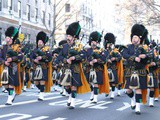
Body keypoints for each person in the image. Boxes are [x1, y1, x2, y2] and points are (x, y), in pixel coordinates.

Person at [54, 21, 90, 109]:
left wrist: (74, 58)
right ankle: (70, 96)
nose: (67, 37)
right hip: (66, 69)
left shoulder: (80, 46)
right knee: (67, 87)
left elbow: (83, 56)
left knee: (74, 86)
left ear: (74, 37)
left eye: (69, 36)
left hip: (76, 69)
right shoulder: (64, 46)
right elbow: (59, 57)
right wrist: (66, 60)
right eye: (67, 36)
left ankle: (73, 102)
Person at [122, 24, 149, 115]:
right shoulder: (128, 47)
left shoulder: (143, 48)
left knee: (138, 89)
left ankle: (138, 108)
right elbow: (124, 55)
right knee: (128, 90)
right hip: (130, 71)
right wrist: (134, 58)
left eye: (136, 37)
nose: (134, 39)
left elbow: (148, 58)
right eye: (133, 37)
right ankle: (132, 99)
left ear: (140, 38)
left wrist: (144, 56)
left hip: (140, 72)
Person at [84, 31, 110, 103]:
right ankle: (92, 92)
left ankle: (95, 98)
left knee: (96, 83)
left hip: (98, 69)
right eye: (92, 41)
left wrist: (97, 60)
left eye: (95, 41)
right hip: (88, 69)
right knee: (88, 82)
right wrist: (89, 62)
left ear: (97, 42)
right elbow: (83, 59)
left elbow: (104, 60)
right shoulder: (86, 50)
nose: (93, 43)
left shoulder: (101, 50)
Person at [1, 26, 23, 105]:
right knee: (5, 84)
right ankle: (12, 93)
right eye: (6, 37)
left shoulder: (16, 47)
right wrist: (4, 62)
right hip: (5, 67)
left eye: (8, 38)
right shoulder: (3, 47)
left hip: (13, 67)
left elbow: (20, 56)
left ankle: (9, 99)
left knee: (11, 83)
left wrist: (12, 59)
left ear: (12, 38)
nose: (6, 39)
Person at [31, 31, 52, 101]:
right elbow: (31, 57)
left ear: (43, 43)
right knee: (36, 82)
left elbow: (49, 58)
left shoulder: (47, 50)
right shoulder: (35, 50)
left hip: (43, 67)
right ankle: (42, 90)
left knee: (42, 81)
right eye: (38, 42)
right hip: (36, 67)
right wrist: (34, 60)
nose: (39, 43)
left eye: (40, 42)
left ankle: (41, 94)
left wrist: (42, 58)